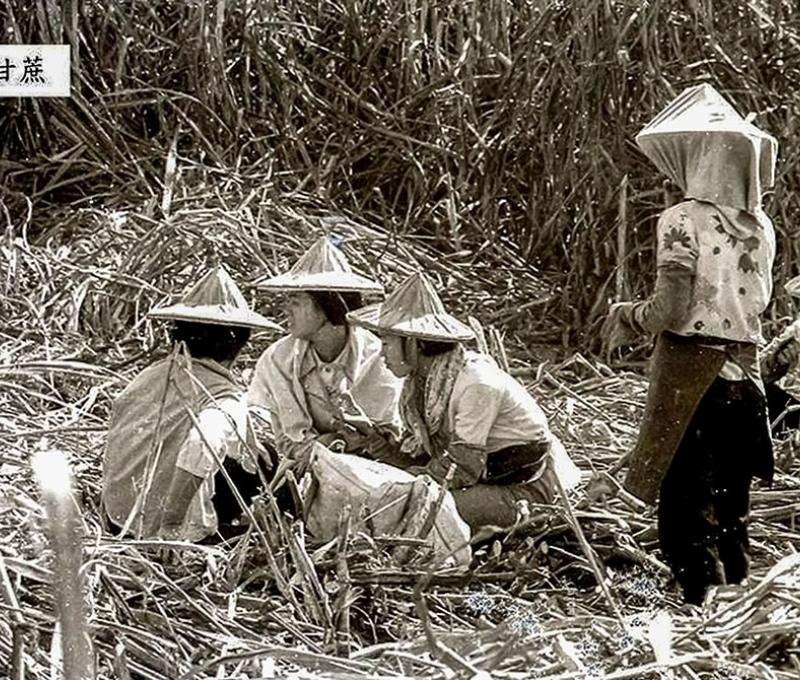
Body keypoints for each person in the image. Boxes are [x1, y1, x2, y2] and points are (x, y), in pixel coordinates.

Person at [601, 84, 779, 604]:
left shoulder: (682, 219)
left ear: (700, 157)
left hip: (692, 378)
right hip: (745, 376)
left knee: (684, 503)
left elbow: (670, 309)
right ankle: (736, 607)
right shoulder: (760, 227)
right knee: (731, 504)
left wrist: (627, 316)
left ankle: (700, 606)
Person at [346, 271, 581, 531]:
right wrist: (377, 445)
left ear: (412, 343)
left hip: (524, 490)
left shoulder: (476, 384)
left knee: (420, 514)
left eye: (387, 344)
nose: (382, 355)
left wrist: (405, 480)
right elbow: (427, 458)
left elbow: (461, 467)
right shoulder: (422, 384)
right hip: (481, 481)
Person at [102, 266, 282, 542]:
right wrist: (171, 523)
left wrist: (247, 444)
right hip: (157, 531)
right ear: (239, 343)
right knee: (268, 466)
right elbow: (201, 446)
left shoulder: (149, 376)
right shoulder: (224, 395)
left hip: (116, 518)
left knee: (258, 454)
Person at [248, 237, 402, 467]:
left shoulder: (377, 358)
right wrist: (326, 444)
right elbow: (283, 437)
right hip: (302, 466)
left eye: (296, 300)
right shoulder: (279, 359)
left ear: (328, 305)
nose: (286, 308)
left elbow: (385, 435)